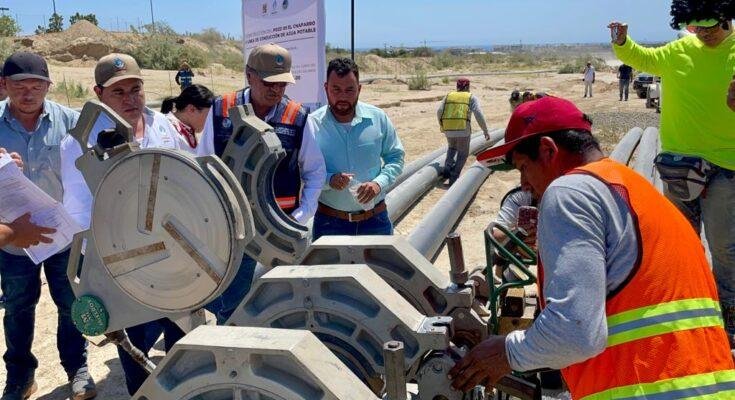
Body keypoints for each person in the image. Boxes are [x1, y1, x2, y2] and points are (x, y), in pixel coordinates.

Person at [452, 96, 735, 398]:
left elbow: (573, 333)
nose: (523, 184)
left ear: (548, 150)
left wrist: (506, 352)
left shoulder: (569, 191)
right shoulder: (640, 193)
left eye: (523, 167)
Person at [609, 0, 735, 344]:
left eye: (710, 27)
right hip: (679, 166)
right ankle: (688, 311)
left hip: (726, 167)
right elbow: (642, 58)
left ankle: (729, 322)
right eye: (697, 28)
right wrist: (622, 41)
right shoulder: (679, 50)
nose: (704, 35)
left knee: (725, 249)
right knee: (681, 243)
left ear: (725, 18)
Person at [60, 53, 184, 396]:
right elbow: (79, 211)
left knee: (182, 334)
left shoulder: (163, 126)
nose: (130, 99)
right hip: (125, 263)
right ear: (98, 93)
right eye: (118, 92)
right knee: (137, 343)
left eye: (136, 89)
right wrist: (110, 258)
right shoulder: (80, 142)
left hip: (174, 253)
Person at [202, 43, 326, 324]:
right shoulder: (221, 110)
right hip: (235, 229)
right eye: (269, 82)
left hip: (281, 229)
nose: (276, 90)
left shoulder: (297, 116)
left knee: (286, 301)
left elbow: (315, 171)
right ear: (249, 75)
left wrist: (300, 216)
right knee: (233, 304)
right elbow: (205, 163)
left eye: (282, 83)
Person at [0, 51, 96, 400]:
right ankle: (20, 377)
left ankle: (77, 368)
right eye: (19, 86)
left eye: (36, 86)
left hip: (62, 236)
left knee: (71, 304)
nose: (28, 94)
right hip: (14, 239)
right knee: (17, 308)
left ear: (49, 86)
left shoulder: (72, 122)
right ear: (4, 85)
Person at [306, 57, 404, 239]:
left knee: (381, 261)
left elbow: (395, 158)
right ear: (326, 88)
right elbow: (304, 171)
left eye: (349, 90)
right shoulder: (312, 125)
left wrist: (378, 184)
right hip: (329, 223)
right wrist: (329, 179)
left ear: (359, 89)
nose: (343, 96)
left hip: (375, 221)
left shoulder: (378, 119)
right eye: (336, 89)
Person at [437, 78, 490, 186]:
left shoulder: (448, 96)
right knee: (462, 154)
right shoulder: (471, 97)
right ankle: (453, 177)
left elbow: (439, 111)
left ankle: (447, 168)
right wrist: (485, 130)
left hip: (448, 128)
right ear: (467, 87)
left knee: (452, 148)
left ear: (457, 86)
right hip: (463, 129)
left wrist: (442, 125)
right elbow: (478, 113)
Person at [161, 83, 215, 155]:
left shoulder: (187, 129)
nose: (209, 121)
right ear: (191, 109)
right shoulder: (167, 130)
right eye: (208, 116)